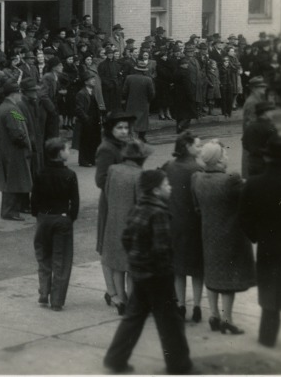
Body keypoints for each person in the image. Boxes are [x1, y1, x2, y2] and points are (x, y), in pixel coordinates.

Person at [102, 169, 194, 375]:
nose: (169, 187)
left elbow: (126, 238)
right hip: (158, 276)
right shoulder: (159, 212)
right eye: (166, 184)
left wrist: (137, 260)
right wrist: (166, 270)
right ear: (155, 190)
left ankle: (115, 359)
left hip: (140, 273)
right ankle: (179, 365)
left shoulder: (138, 208)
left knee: (133, 318)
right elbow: (162, 248)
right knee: (170, 323)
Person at [239, 137, 281, 349]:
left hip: (267, 246)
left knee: (269, 294)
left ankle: (268, 337)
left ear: (266, 157)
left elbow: (244, 218)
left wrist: (257, 236)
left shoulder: (254, 183)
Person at [192, 139, 256, 335]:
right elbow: (247, 199)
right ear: (218, 160)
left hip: (208, 232)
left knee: (212, 274)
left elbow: (196, 207)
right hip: (229, 234)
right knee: (228, 278)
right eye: (224, 154)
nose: (227, 156)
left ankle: (213, 315)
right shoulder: (230, 180)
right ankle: (227, 319)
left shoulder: (197, 179)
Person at [101, 139, 153, 316]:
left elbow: (107, 194)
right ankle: (132, 302)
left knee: (116, 264)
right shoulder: (140, 176)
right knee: (131, 268)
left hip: (113, 223)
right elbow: (142, 204)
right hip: (132, 226)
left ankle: (120, 299)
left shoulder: (113, 170)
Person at [31, 138, 79, 311]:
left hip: (44, 218)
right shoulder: (70, 175)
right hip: (62, 218)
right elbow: (75, 202)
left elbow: (34, 199)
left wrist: (39, 214)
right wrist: (69, 218)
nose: (69, 151)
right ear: (60, 153)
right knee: (61, 259)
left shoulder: (40, 173)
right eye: (67, 148)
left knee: (43, 256)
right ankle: (57, 299)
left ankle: (44, 291)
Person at [162, 132, 205, 323]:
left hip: (174, 224)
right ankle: (196, 306)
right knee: (197, 269)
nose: (200, 149)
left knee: (178, 268)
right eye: (198, 146)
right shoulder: (198, 169)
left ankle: (180, 304)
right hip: (194, 225)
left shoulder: (169, 167)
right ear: (187, 147)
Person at [95, 111, 135, 309]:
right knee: (108, 247)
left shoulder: (127, 144)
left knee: (121, 249)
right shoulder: (106, 148)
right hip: (112, 203)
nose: (124, 131)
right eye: (119, 127)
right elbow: (100, 180)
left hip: (127, 202)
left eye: (126, 127)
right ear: (110, 130)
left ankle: (119, 291)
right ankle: (112, 293)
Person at [0, 80, 32, 221]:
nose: (20, 96)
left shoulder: (6, 107)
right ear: (14, 94)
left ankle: (15, 208)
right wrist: (26, 144)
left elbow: (22, 121)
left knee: (13, 179)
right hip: (15, 150)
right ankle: (9, 211)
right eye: (19, 93)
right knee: (13, 180)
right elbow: (17, 132)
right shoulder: (12, 109)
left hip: (9, 149)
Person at [242, 101, 279, 177]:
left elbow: (244, 143)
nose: (273, 113)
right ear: (265, 113)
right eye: (271, 111)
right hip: (266, 164)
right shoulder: (270, 128)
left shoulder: (250, 127)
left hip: (252, 163)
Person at [74, 71, 102, 166]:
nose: (94, 81)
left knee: (93, 140)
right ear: (86, 82)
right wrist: (86, 119)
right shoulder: (81, 93)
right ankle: (84, 160)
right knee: (85, 141)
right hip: (86, 121)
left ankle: (92, 159)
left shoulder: (91, 92)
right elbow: (79, 109)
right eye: (91, 79)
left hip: (93, 121)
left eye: (94, 79)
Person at [122, 60, 155, 142]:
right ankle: (141, 136)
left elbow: (124, 91)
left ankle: (133, 136)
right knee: (143, 120)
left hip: (131, 102)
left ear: (136, 69)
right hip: (143, 102)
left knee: (132, 119)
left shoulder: (129, 78)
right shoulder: (148, 79)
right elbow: (151, 93)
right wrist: (149, 100)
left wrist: (126, 99)